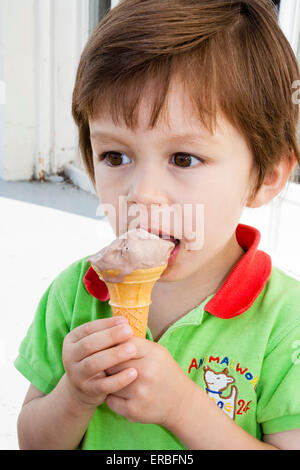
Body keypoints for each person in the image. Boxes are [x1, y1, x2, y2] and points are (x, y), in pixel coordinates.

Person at [15, 0, 300, 450]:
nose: (141, 194)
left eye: (184, 158)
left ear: (265, 177)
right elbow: (33, 442)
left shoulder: (286, 322)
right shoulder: (74, 297)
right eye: (116, 156)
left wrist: (184, 410)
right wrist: (74, 396)